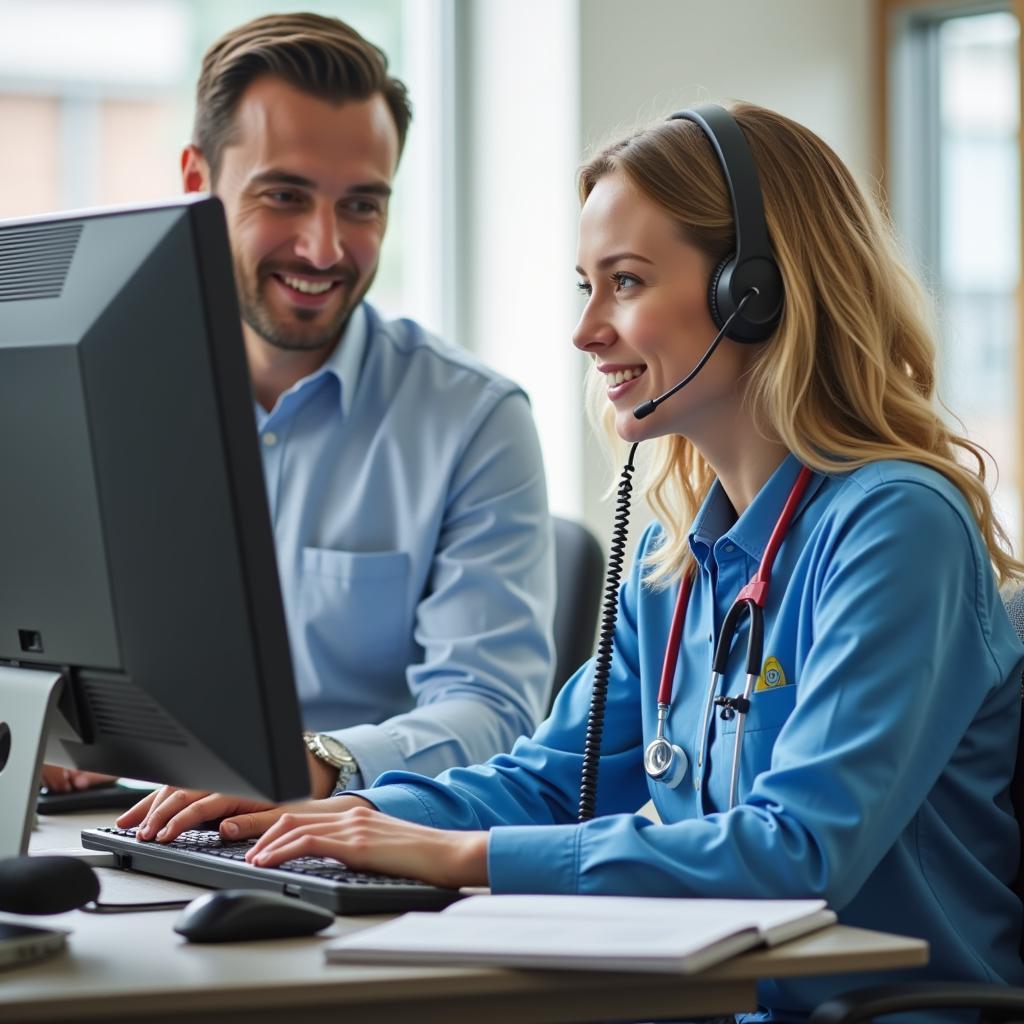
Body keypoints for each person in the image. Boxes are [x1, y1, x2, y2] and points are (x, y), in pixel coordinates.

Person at [201, 100, 1024, 1012]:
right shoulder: (681, 556)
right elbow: (555, 782)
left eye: (624, 283)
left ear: (754, 293)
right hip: (700, 997)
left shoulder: (896, 525)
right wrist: (327, 819)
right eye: (583, 285)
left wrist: (462, 857)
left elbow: (801, 850)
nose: (586, 329)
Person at [43, 13, 555, 825]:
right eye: (285, 196)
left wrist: (319, 763)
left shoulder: (473, 421)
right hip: (121, 827)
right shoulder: (84, 389)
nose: (324, 248)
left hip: (352, 849)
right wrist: (52, 732)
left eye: (361, 205)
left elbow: (495, 710)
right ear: (195, 179)